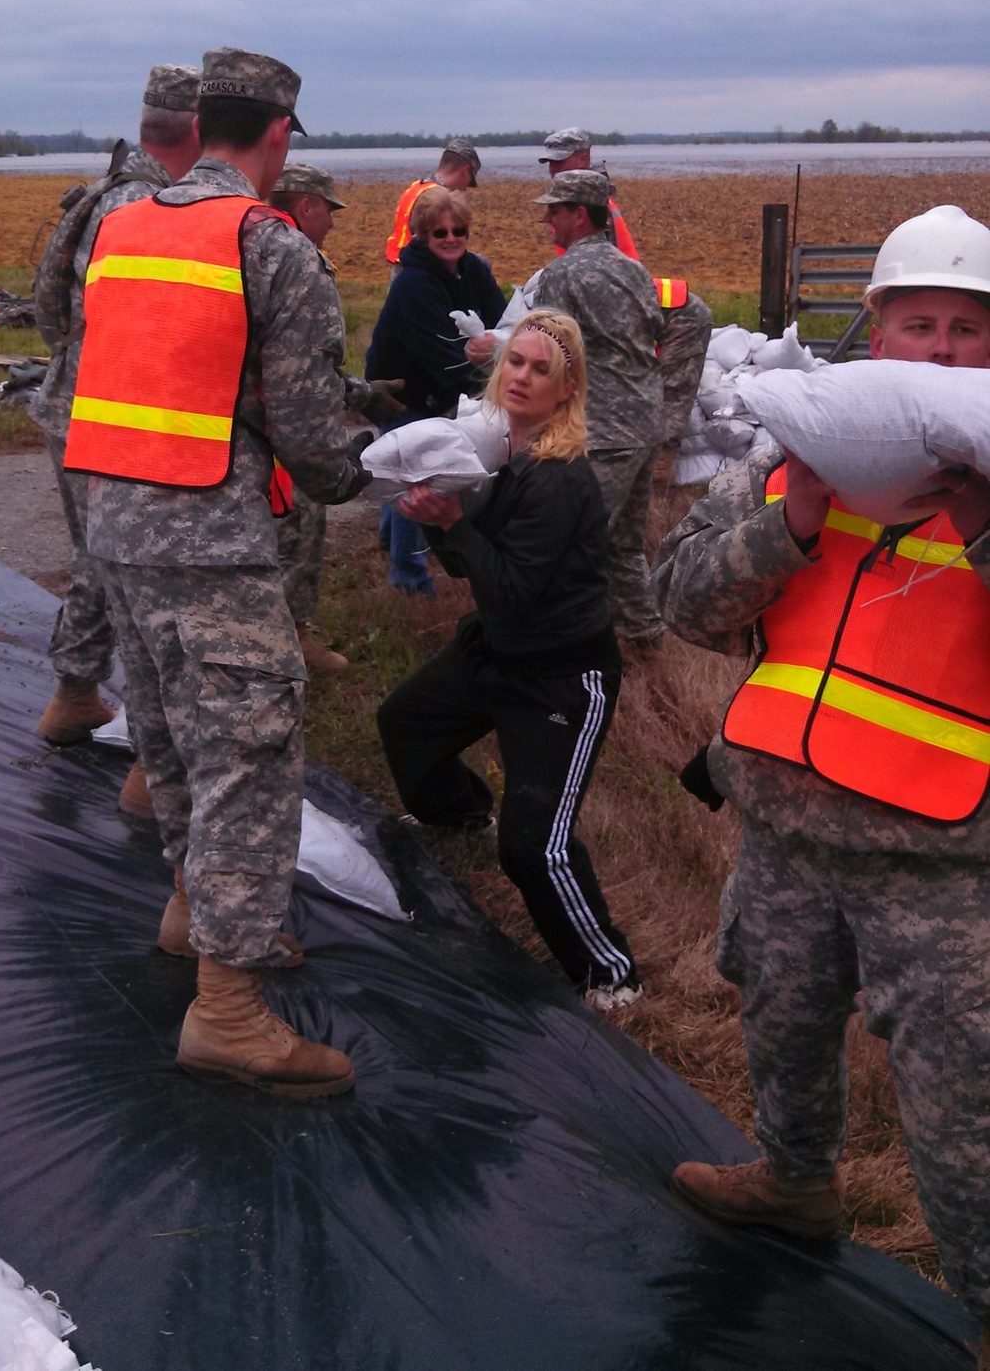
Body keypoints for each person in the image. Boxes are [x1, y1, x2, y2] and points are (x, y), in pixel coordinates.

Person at [654, 203, 990, 1362]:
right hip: (786, 824)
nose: (940, 350)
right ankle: (795, 1182)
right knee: (782, 1024)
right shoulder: (796, 454)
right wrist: (790, 518)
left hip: (945, 864)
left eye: (966, 328)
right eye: (917, 323)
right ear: (875, 329)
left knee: (964, 1125)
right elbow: (683, 604)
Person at [68, 47, 369, 1099]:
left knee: (173, 733)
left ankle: (193, 911)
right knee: (249, 750)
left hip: (115, 530)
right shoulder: (270, 247)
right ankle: (229, 1009)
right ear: (279, 134)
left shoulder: (119, 224)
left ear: (200, 125)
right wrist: (378, 468)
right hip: (213, 538)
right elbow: (310, 438)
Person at [377, 310, 640, 1008]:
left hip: (560, 677)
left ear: (567, 388)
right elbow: (475, 571)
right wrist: (442, 519)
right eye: (515, 363)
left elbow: (516, 588)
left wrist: (453, 524)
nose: (522, 377)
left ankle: (611, 976)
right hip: (496, 646)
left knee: (535, 850)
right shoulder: (499, 455)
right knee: (406, 723)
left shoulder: (558, 477)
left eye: (541, 369)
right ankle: (461, 815)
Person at [31, 63, 202, 820]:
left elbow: (48, 307)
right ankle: (143, 758)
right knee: (135, 576)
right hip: (113, 420)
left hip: (78, 407)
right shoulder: (144, 205)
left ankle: (76, 694)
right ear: (196, 131)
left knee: (101, 562)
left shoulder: (104, 193)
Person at [531, 170, 685, 646]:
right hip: (644, 425)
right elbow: (663, 327)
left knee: (576, 543)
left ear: (579, 215)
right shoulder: (634, 270)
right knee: (623, 546)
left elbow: (548, 352)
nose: (547, 220)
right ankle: (645, 637)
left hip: (603, 432)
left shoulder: (561, 275)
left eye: (554, 211)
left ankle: (569, 648)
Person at [267, 163, 405, 674]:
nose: (332, 221)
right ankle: (289, 644)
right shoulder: (294, 259)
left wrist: (360, 392)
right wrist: (327, 459)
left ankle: (285, 639)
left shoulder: (252, 247)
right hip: (287, 432)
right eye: (329, 210)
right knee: (297, 530)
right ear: (307, 205)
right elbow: (301, 370)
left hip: (258, 427)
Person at [367, 185, 505, 595]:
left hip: (438, 390)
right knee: (417, 478)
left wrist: (498, 346)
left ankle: (391, 542)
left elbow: (504, 319)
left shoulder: (473, 270)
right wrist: (493, 360)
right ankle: (410, 581)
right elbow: (449, 361)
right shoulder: (412, 285)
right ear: (422, 236)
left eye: (458, 230)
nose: (451, 239)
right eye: (439, 233)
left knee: (407, 474)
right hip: (399, 392)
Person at [539, 126, 639, 260]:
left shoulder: (594, 204)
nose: (552, 169)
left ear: (583, 160)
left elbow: (606, 266)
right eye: (550, 163)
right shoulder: (575, 200)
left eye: (559, 162)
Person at [384, 138, 481, 266]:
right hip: (420, 270)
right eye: (469, 180)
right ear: (464, 171)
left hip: (401, 265)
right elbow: (439, 247)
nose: (466, 187)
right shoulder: (438, 200)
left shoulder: (416, 188)